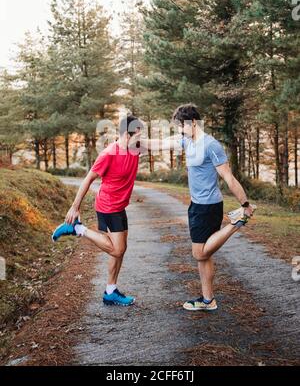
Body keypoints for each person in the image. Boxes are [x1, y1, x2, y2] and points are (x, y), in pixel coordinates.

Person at [138, 103, 255, 312]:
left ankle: (235, 223)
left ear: (192, 123)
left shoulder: (211, 145)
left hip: (208, 206)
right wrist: (132, 140)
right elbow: (159, 144)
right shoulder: (187, 140)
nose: (179, 131)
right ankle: (208, 300)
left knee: (199, 253)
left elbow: (228, 177)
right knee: (204, 256)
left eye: (181, 126)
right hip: (196, 205)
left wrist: (244, 204)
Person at [51, 115, 144, 307]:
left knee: (120, 251)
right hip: (108, 206)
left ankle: (111, 291)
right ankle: (78, 229)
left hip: (119, 206)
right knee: (117, 249)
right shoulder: (109, 154)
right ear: (127, 135)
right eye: (138, 135)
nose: (141, 139)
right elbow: (88, 179)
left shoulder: (135, 149)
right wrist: (74, 207)